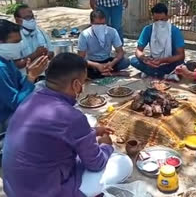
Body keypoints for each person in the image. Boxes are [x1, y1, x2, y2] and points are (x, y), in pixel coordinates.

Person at [2, 53, 133, 197]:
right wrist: (106, 146)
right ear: (76, 85)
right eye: (83, 82)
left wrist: (93, 131)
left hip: (15, 188)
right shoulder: (72, 117)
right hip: (47, 191)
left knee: (86, 126)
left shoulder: (30, 99)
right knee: (123, 163)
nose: (83, 88)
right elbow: (96, 164)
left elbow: (56, 131)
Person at [0, 19, 48, 135]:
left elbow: (19, 84)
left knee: (43, 85)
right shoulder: (1, 68)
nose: (19, 46)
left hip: (14, 104)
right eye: (15, 42)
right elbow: (16, 104)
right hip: (6, 116)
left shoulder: (7, 60)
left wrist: (29, 74)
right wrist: (31, 77)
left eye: (20, 41)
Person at [130, 3, 185, 80]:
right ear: (152, 18)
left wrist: (163, 61)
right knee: (133, 60)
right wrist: (145, 59)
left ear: (167, 17)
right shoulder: (148, 29)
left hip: (169, 62)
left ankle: (150, 72)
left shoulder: (174, 31)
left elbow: (181, 55)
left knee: (181, 64)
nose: (159, 23)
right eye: (156, 20)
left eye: (162, 20)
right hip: (153, 62)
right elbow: (138, 50)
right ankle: (164, 75)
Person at [78, 10, 130, 79]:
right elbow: (80, 58)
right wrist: (97, 65)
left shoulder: (112, 31)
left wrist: (112, 64)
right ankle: (112, 73)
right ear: (91, 23)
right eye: (97, 24)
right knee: (76, 66)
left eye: (102, 24)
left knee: (125, 61)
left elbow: (120, 52)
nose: (100, 27)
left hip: (107, 61)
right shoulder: (85, 34)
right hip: (92, 62)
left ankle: (101, 74)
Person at [14, 4, 54, 74]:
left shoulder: (41, 32)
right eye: (27, 18)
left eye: (32, 17)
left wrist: (46, 55)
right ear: (18, 20)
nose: (32, 20)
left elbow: (52, 52)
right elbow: (15, 64)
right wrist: (35, 55)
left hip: (43, 75)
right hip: (24, 78)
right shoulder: (14, 37)